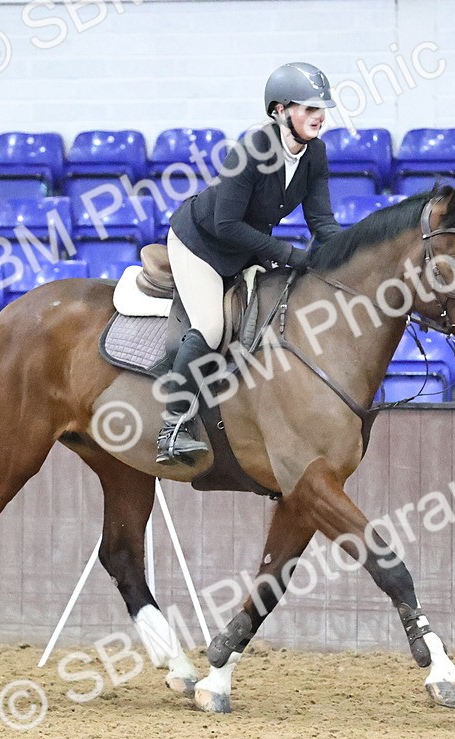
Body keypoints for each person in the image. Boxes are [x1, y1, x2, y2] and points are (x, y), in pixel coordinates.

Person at [158, 62, 343, 464]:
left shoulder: (315, 154)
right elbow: (225, 224)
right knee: (210, 326)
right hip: (201, 245)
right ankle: (172, 426)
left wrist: (350, 251)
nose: (320, 116)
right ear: (280, 110)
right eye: (310, 108)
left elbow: (322, 221)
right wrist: (288, 254)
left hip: (245, 249)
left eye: (322, 108)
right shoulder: (251, 150)